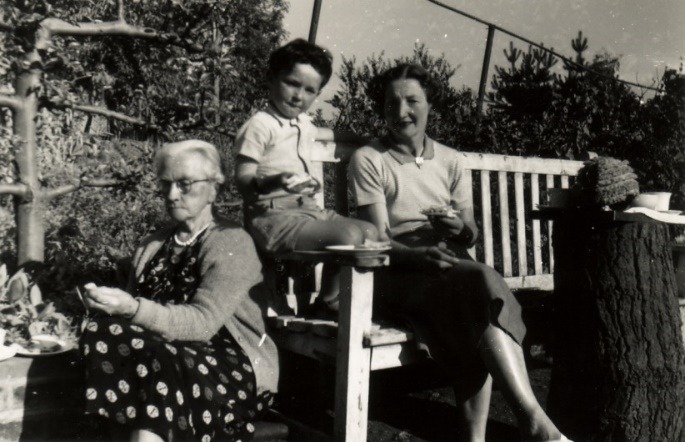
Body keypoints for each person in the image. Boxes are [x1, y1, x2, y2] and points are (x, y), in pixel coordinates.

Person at [348, 64, 569, 442]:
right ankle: (533, 422)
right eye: (391, 102)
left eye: (412, 100)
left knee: (477, 303)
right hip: (396, 274)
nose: (401, 111)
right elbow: (379, 239)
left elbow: (470, 233)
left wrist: (457, 229)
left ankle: (489, 436)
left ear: (430, 104)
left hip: (449, 268)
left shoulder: (450, 160)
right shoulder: (369, 159)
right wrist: (419, 256)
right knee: (480, 285)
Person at [80, 140, 279, 442]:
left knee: (159, 363)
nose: (172, 195)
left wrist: (131, 308)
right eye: (166, 184)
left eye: (185, 184)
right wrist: (106, 303)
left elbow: (202, 323)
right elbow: (135, 320)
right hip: (161, 359)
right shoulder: (151, 245)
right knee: (102, 330)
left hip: (228, 367)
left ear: (214, 188)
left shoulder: (232, 242)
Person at [234, 38, 379, 314]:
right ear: (271, 79)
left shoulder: (302, 122)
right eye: (292, 83)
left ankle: (327, 301)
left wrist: (364, 139)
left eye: (310, 90)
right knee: (348, 235)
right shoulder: (259, 126)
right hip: (273, 219)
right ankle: (329, 302)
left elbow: (327, 134)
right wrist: (276, 182)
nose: (299, 96)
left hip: (309, 212)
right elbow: (243, 180)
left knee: (370, 233)